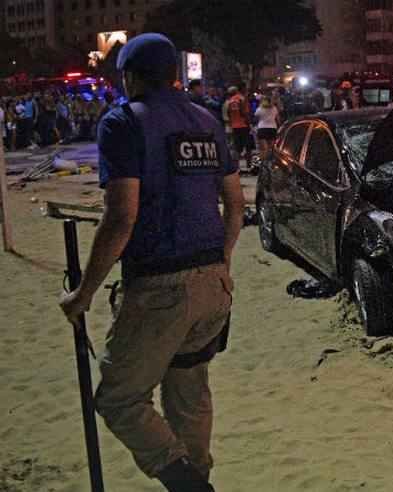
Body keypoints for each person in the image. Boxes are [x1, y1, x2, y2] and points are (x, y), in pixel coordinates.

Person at [59, 33, 244, 492]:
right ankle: (196, 473)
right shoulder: (205, 121)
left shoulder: (124, 122)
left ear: (129, 75)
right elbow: (235, 203)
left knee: (119, 400)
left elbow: (122, 216)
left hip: (162, 285)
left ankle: (189, 485)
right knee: (188, 392)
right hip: (215, 283)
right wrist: (221, 260)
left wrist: (84, 294)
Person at [227, 83, 251, 160]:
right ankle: (248, 165)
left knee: (237, 146)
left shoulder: (231, 100)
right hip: (243, 125)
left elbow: (228, 112)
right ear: (243, 89)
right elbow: (244, 112)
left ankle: (237, 164)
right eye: (246, 89)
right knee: (247, 145)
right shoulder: (242, 99)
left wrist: (232, 121)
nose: (246, 90)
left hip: (234, 126)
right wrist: (248, 122)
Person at [254, 95, 280, 160]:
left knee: (263, 149)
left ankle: (262, 164)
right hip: (272, 129)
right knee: (270, 149)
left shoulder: (259, 109)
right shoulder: (274, 108)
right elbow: (278, 119)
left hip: (262, 129)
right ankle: (269, 164)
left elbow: (256, 119)